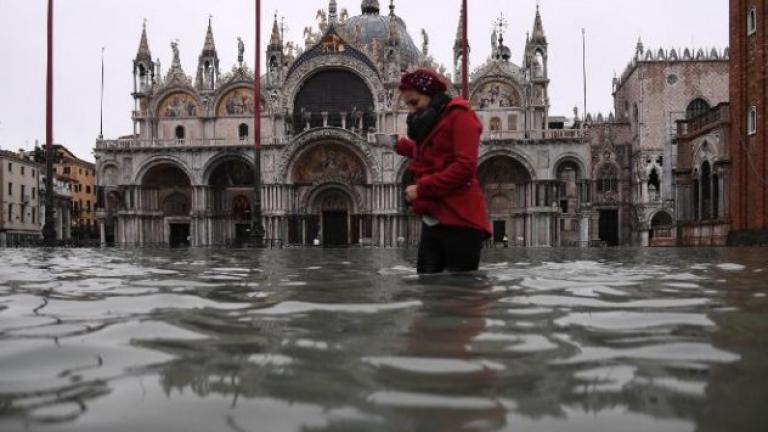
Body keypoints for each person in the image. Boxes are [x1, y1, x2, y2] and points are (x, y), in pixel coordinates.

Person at [395, 69, 492, 274]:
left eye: (415, 103)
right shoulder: (433, 121)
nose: (411, 112)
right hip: (434, 217)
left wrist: (420, 190)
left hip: (461, 220)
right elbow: (435, 153)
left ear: (431, 95)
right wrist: (399, 145)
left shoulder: (461, 115)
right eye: (408, 106)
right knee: (427, 287)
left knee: (459, 292)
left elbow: (464, 167)